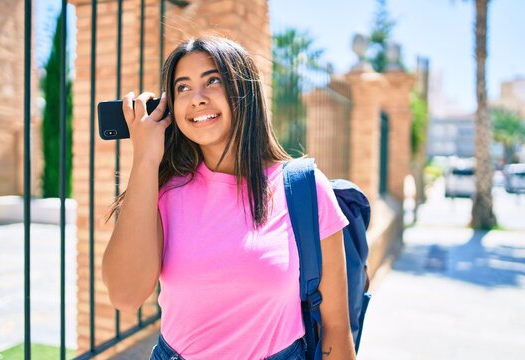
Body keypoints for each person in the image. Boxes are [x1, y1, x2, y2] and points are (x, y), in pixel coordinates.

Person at [102, 36, 356, 360]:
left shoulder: (305, 189)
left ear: (244, 91)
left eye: (213, 81)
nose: (197, 98)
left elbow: (336, 327)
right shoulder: (162, 192)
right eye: (182, 87)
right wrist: (145, 160)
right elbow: (125, 296)